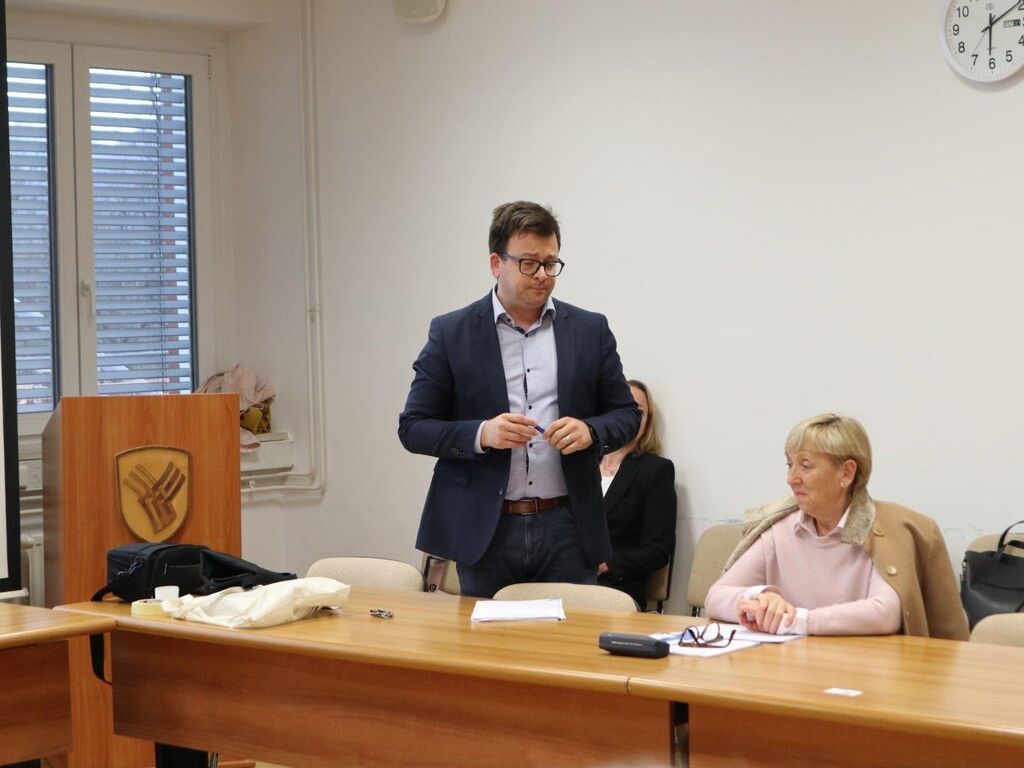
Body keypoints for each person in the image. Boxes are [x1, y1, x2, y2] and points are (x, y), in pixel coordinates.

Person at [398, 201, 641, 598]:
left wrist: (591, 431)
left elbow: (627, 415)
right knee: (488, 637)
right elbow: (413, 428)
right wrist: (482, 434)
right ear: (497, 263)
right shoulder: (452, 332)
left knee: (571, 637)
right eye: (529, 263)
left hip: (568, 525)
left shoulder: (589, 329)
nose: (542, 274)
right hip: (487, 528)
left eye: (551, 263)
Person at [705, 413, 968, 639]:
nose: (791, 478)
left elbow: (885, 612)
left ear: (846, 473)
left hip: (866, 671)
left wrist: (798, 620)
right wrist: (760, 598)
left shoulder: (886, 530)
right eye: (789, 464)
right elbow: (715, 597)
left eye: (805, 466)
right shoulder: (780, 528)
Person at [597, 379, 676, 608]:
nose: (629, 417)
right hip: (564, 578)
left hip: (614, 588)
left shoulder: (655, 471)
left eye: (638, 411)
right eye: (621, 408)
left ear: (647, 422)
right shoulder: (579, 466)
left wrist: (605, 564)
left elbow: (658, 550)